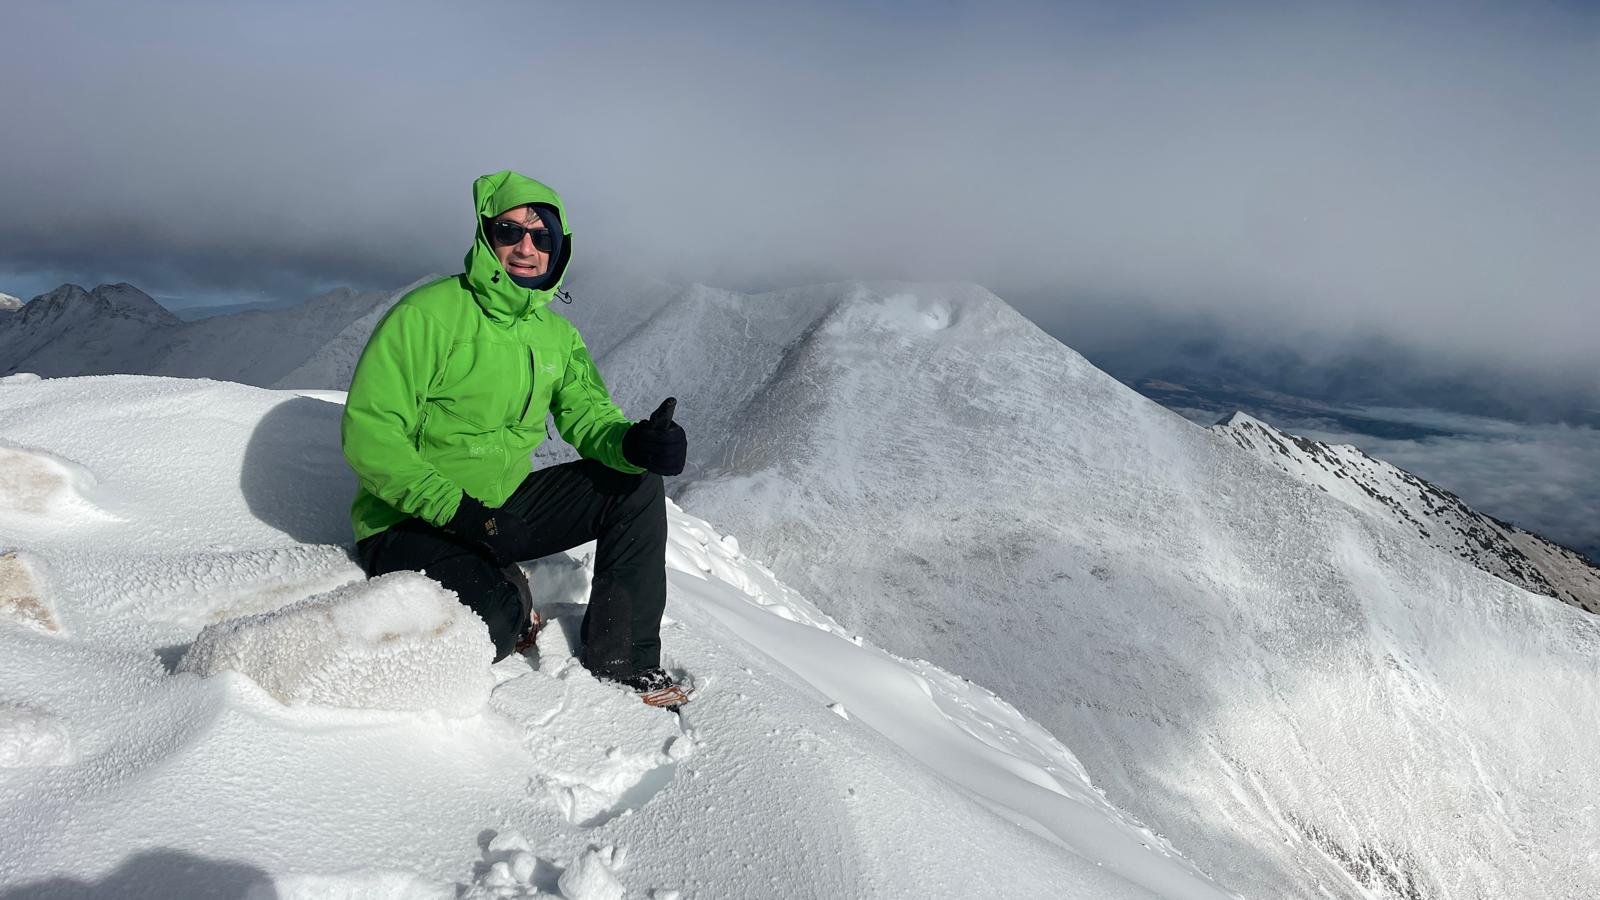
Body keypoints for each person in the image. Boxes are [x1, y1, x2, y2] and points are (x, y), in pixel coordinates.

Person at [340, 170, 689, 709]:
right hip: (411, 520)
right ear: (486, 235)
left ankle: (623, 659)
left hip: (498, 513)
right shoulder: (427, 316)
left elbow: (588, 417)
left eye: (542, 235)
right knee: (495, 625)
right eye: (510, 230)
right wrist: (463, 516)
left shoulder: (555, 335)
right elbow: (372, 436)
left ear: (559, 249)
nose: (527, 246)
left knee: (633, 486)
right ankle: (503, 600)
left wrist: (635, 443)